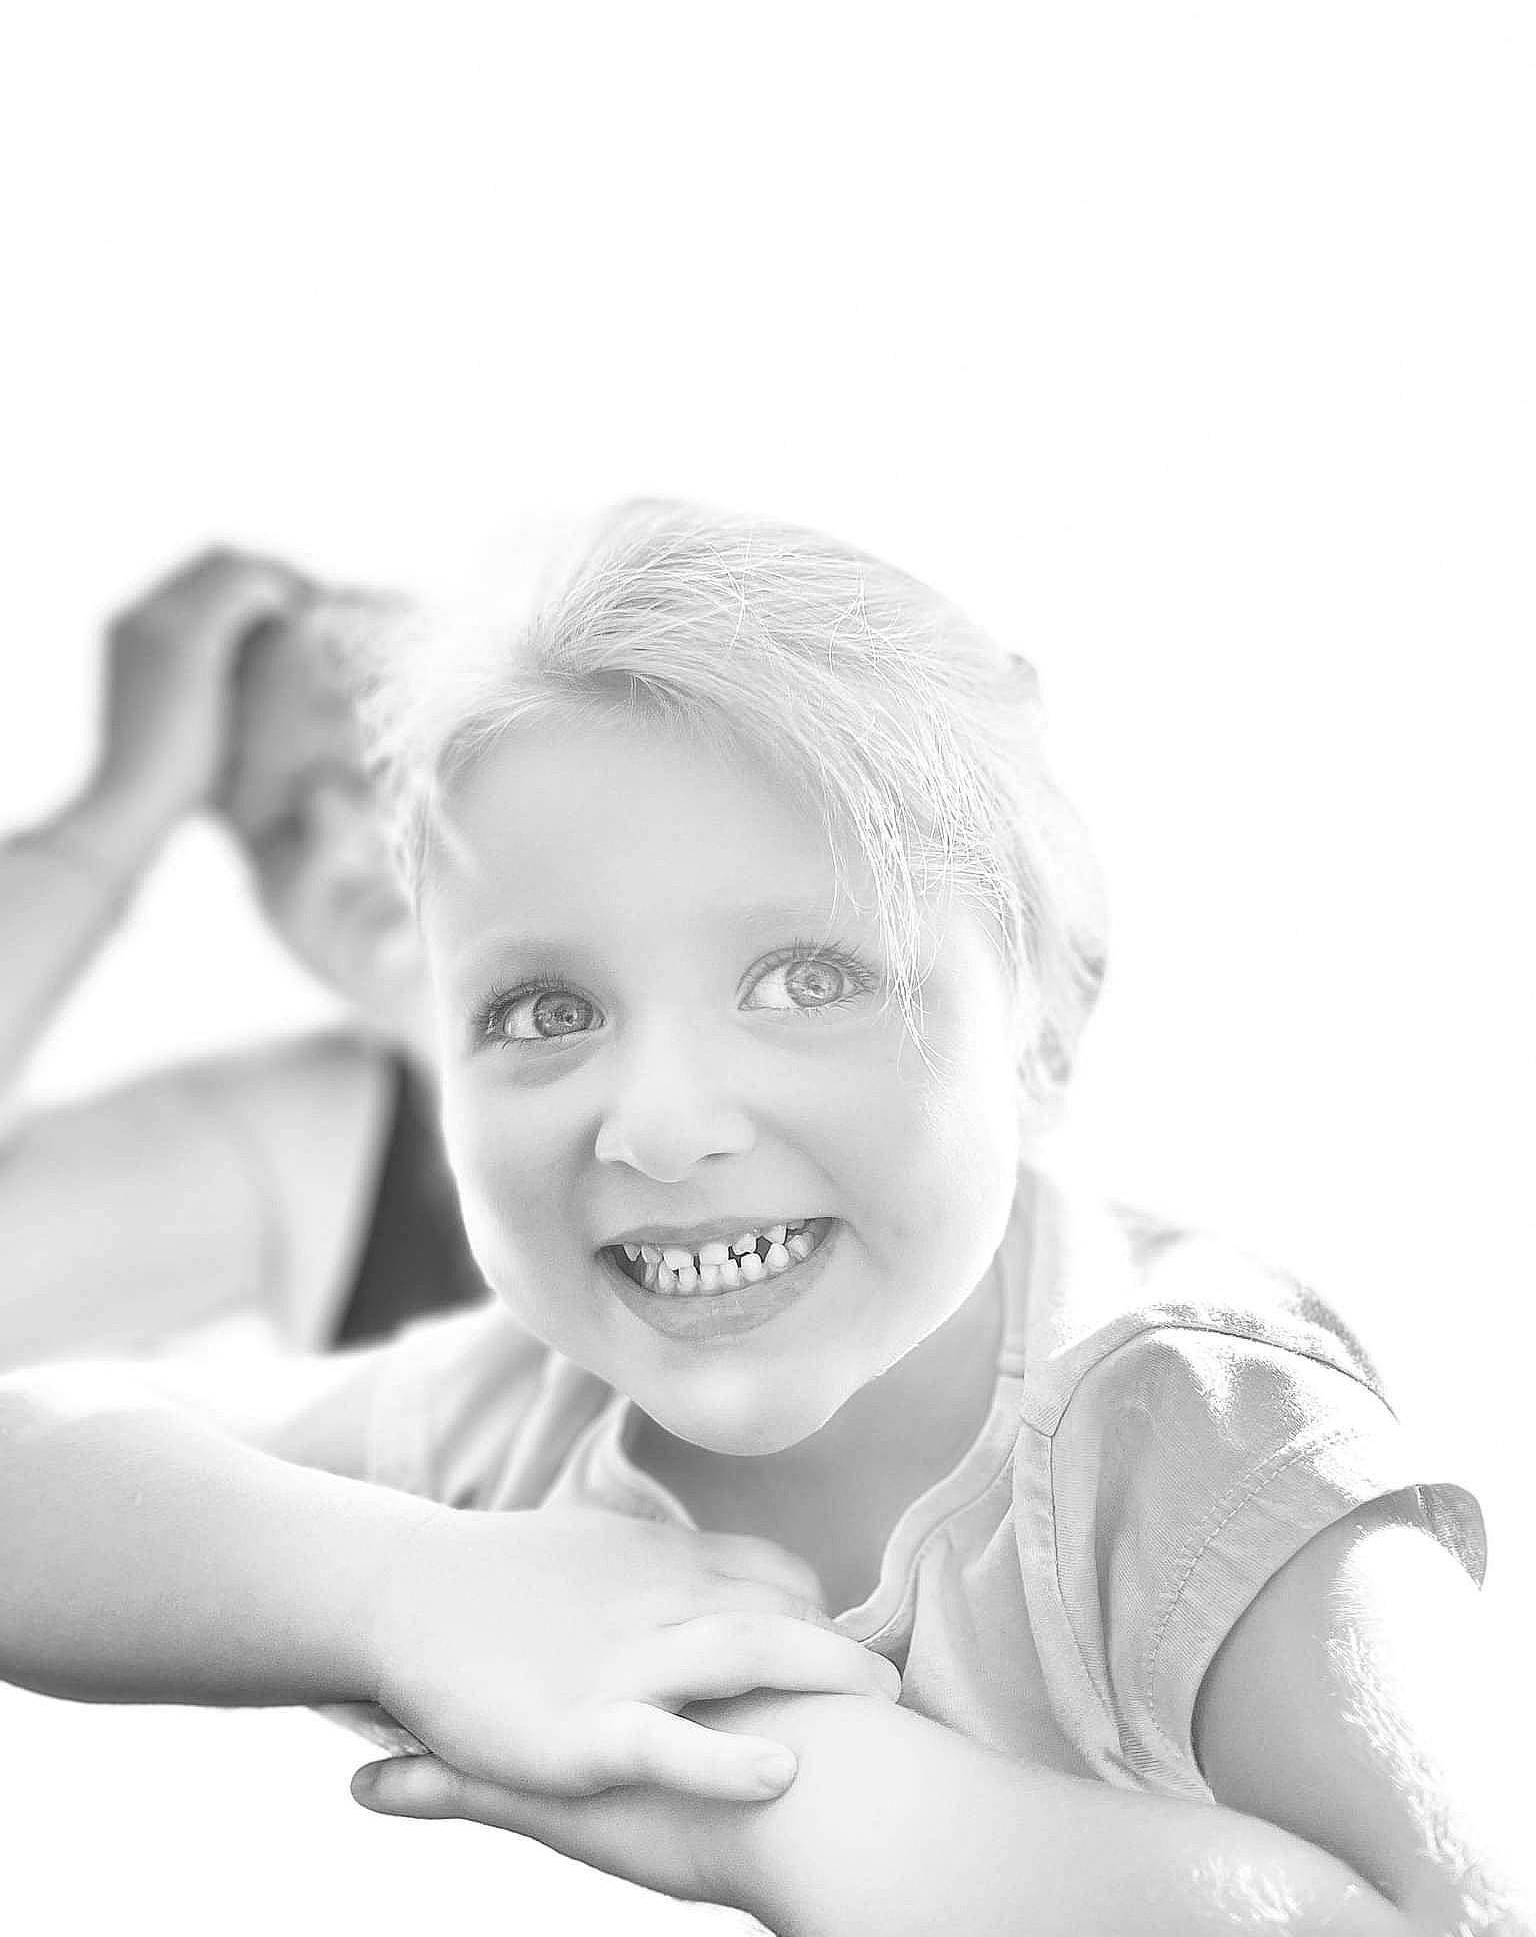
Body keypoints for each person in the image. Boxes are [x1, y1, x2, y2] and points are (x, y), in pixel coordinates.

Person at [0, 504, 1526, 1936]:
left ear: (1043, 1032)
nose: (659, 1127)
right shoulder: (515, 1416)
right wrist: (393, 1590)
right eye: (544, 1007)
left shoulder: (1193, 1433)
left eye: (811, 978)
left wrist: (789, 1800)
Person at [0, 550, 484, 1370]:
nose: (331, 851)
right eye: (274, 828)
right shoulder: (334, 1143)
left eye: (378, 762)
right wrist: (122, 805)